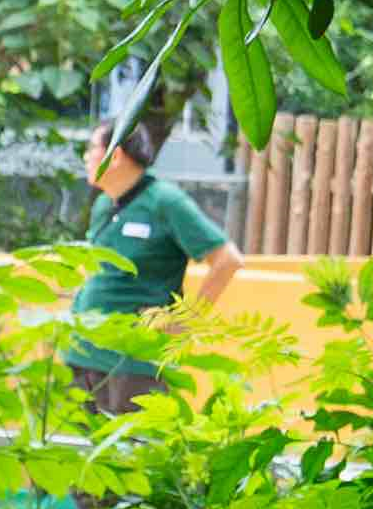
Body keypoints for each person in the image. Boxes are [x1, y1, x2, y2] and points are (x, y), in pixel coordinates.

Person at [58, 127, 242, 404]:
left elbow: (227, 260)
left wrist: (186, 322)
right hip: (82, 355)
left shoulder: (165, 201)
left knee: (132, 446)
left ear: (115, 155)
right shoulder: (103, 206)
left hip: (134, 365)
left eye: (91, 149)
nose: (85, 157)